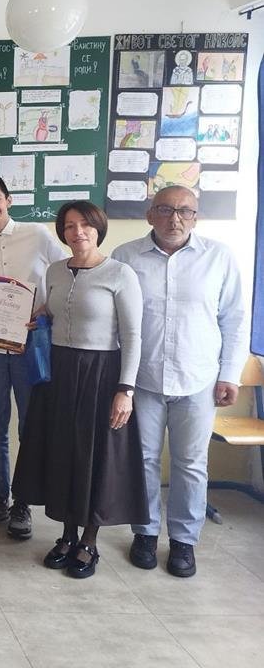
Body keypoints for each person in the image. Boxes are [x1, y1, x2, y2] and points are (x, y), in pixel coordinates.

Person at [113, 185, 249, 577]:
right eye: (166, 210)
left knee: (191, 463)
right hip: (143, 379)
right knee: (143, 460)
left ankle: (184, 542)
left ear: (196, 217)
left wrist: (230, 374)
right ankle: (144, 533)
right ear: (149, 215)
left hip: (198, 380)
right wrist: (120, 382)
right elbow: (114, 321)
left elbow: (234, 320)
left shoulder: (219, 258)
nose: (175, 219)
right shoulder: (126, 257)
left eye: (185, 211)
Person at [12, 201, 147, 579]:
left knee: (94, 455)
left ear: (98, 228)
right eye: (70, 226)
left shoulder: (120, 273)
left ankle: (89, 539)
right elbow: (53, 311)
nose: (78, 232)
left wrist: (126, 390)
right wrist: (37, 316)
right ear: (62, 233)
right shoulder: (55, 270)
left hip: (101, 374)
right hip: (58, 372)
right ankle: (67, 534)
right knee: (63, 452)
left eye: (85, 224)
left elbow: (133, 336)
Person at [0, 174, 65, 539]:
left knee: (28, 425)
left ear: (8, 200)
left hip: (30, 346)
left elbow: (63, 274)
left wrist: (45, 309)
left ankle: (22, 502)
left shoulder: (37, 234)